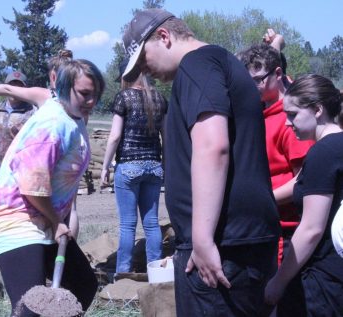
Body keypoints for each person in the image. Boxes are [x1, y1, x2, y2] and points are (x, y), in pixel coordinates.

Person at [121, 9, 281, 316]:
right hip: (239, 241)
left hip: (222, 245)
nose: (144, 70)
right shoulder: (221, 62)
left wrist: (203, 238)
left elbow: (213, 145)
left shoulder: (197, 64)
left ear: (164, 37)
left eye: (143, 59)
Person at [0, 59, 105, 317]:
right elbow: (31, 186)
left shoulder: (69, 113)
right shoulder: (52, 125)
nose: (92, 101)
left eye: (96, 94)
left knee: (82, 286)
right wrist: (57, 220)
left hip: (44, 219)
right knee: (29, 308)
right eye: (85, 94)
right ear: (63, 87)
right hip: (15, 221)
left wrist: (63, 219)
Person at [264, 74, 343, 316]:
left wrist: (279, 281)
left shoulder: (323, 154)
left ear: (318, 109)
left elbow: (311, 229)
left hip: (324, 279)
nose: (288, 123)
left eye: (293, 114)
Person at [238, 43, 314, 265]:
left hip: (286, 231)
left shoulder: (292, 121)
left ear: (278, 73)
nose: (252, 88)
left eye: (257, 80)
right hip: (265, 224)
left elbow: (303, 180)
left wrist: (262, 200)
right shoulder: (261, 115)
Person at [100, 59, 167, 274]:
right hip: (155, 166)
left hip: (128, 166)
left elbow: (115, 136)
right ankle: (156, 272)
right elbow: (165, 136)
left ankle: (123, 275)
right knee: (152, 223)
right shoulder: (159, 98)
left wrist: (104, 167)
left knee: (128, 225)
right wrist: (164, 164)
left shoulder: (124, 97)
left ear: (125, 77)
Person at [0, 71, 36, 186]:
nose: (15, 90)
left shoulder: (33, 112)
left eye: (19, 86)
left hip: (21, 176)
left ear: (25, 89)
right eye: (11, 86)